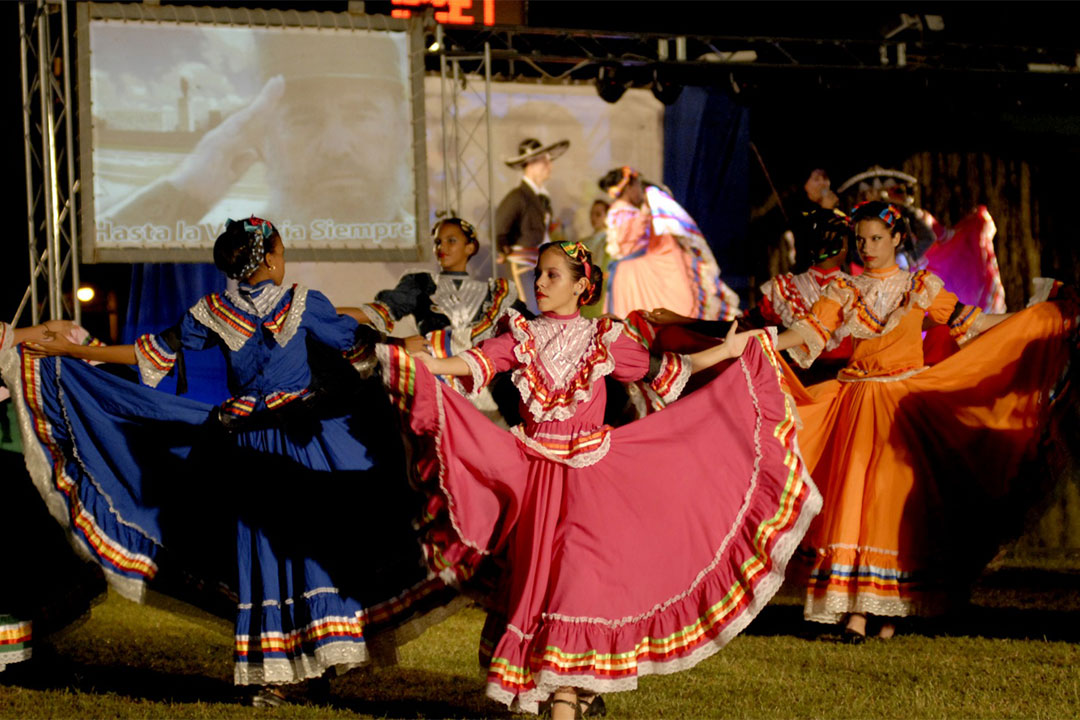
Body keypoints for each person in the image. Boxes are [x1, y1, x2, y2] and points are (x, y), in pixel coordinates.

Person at [8, 218, 455, 704]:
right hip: (300, 445)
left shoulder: (215, 311)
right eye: (281, 252)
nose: (284, 261)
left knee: (266, 553)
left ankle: (292, 668)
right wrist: (430, 353)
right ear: (267, 260)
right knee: (308, 545)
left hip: (247, 445)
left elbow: (148, 352)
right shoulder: (304, 303)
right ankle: (298, 665)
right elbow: (362, 352)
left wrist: (74, 349)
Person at [375, 241, 821, 716]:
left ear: (582, 286)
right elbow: (473, 364)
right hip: (536, 480)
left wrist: (728, 350)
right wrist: (418, 366)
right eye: (540, 275)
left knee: (579, 581)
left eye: (552, 276)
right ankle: (572, 692)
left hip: (593, 480)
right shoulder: (521, 334)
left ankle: (569, 694)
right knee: (542, 584)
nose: (540, 284)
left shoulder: (605, 338)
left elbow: (667, 372)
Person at [765, 201, 1077, 640]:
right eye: (861, 240)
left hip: (902, 407)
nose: (868, 247)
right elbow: (810, 332)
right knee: (855, 503)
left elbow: (975, 320)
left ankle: (887, 616)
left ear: (896, 239)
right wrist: (765, 340)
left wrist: (1033, 320)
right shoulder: (844, 289)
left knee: (890, 505)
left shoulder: (920, 287)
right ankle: (858, 616)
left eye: (876, 238)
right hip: (856, 402)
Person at [644, 207, 855, 387]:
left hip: (790, 386)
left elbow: (738, 329)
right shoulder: (858, 290)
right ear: (843, 248)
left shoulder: (785, 290)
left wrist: (682, 321)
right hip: (843, 385)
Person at [346, 216, 527, 423]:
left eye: (452, 241)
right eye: (438, 242)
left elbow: (533, 328)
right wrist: (321, 313)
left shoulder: (497, 292)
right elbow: (377, 312)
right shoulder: (422, 283)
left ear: (470, 247)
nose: (443, 247)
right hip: (436, 378)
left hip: (483, 385)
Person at [600, 167, 740, 321]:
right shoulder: (621, 211)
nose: (640, 190)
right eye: (638, 186)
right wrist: (648, 211)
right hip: (635, 273)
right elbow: (628, 240)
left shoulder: (627, 210)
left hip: (634, 270)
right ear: (629, 187)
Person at [495, 138, 570, 310]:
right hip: (524, 266)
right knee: (533, 311)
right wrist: (504, 249)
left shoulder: (542, 198)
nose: (549, 166)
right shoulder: (517, 197)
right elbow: (500, 230)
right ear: (531, 164)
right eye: (544, 162)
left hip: (541, 265)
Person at [580, 199, 611, 320]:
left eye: (598, 214)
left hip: (601, 287)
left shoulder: (610, 240)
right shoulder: (584, 241)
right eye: (592, 214)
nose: (594, 218)